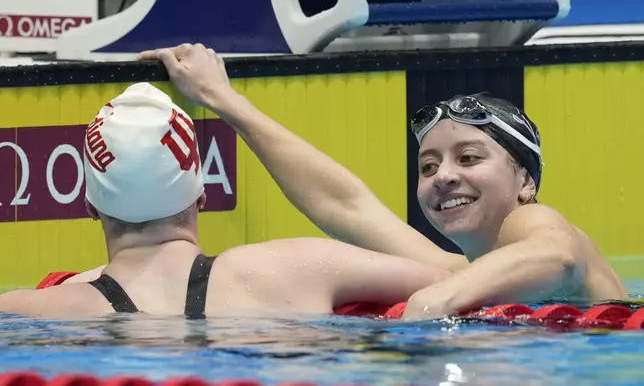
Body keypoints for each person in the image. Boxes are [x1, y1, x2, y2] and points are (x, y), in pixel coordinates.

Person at [132, 43, 626, 319]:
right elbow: (343, 206)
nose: (444, 176)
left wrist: (432, 304)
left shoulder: (532, 222)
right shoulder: (455, 269)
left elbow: (557, 253)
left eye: (469, 157)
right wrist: (224, 100)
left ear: (525, 181)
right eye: (428, 167)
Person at [0, 81, 448, 320]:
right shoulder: (299, 268)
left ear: (89, 206)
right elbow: (460, 279)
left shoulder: (38, 311)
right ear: (202, 193)